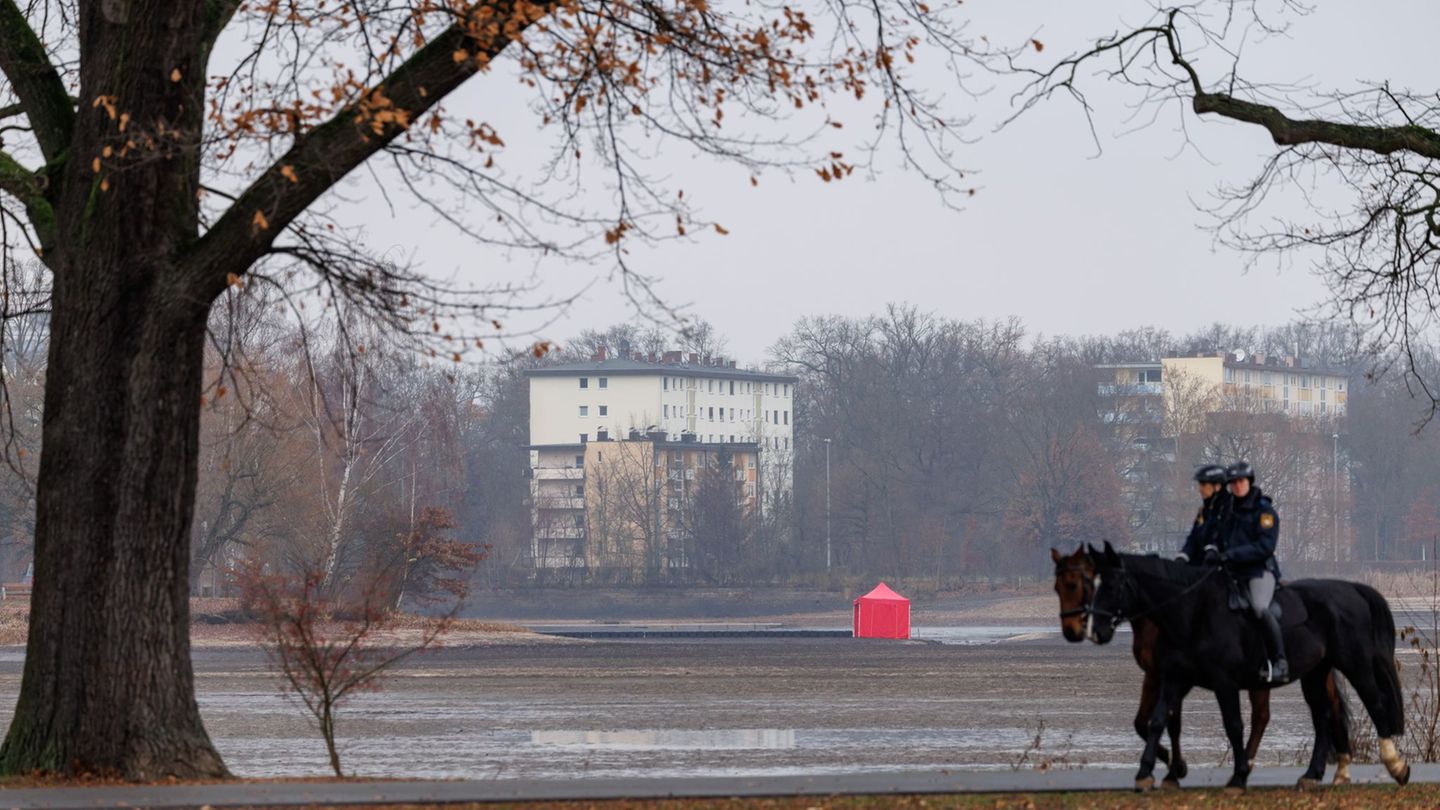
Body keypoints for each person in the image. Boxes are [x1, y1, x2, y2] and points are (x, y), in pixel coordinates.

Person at [1213, 461, 1286, 683]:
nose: (1237, 486)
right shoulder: (1226, 510)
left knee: (1259, 608)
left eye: (1241, 481)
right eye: (1232, 483)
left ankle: (1279, 661)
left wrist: (1231, 554)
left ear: (1249, 482)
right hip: (1231, 572)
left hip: (1258, 570)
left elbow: (1265, 546)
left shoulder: (1265, 511)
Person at [1176, 464, 1229, 566]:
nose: (1200, 489)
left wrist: (1214, 550)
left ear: (1217, 486)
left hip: (1222, 566)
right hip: (1200, 564)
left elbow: (1225, 537)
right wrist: (1183, 556)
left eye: (1204, 484)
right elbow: (1193, 537)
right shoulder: (1204, 510)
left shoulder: (1230, 508)